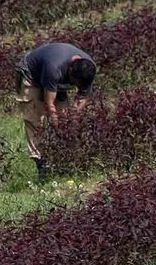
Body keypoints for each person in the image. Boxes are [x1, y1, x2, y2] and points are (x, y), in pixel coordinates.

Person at [16, 42, 96, 180]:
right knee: (35, 120)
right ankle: (41, 164)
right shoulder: (54, 67)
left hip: (58, 80)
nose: (77, 86)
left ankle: (63, 160)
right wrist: (55, 123)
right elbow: (49, 104)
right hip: (32, 75)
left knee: (65, 118)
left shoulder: (88, 69)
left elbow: (82, 98)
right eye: (75, 83)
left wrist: (72, 122)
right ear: (70, 71)